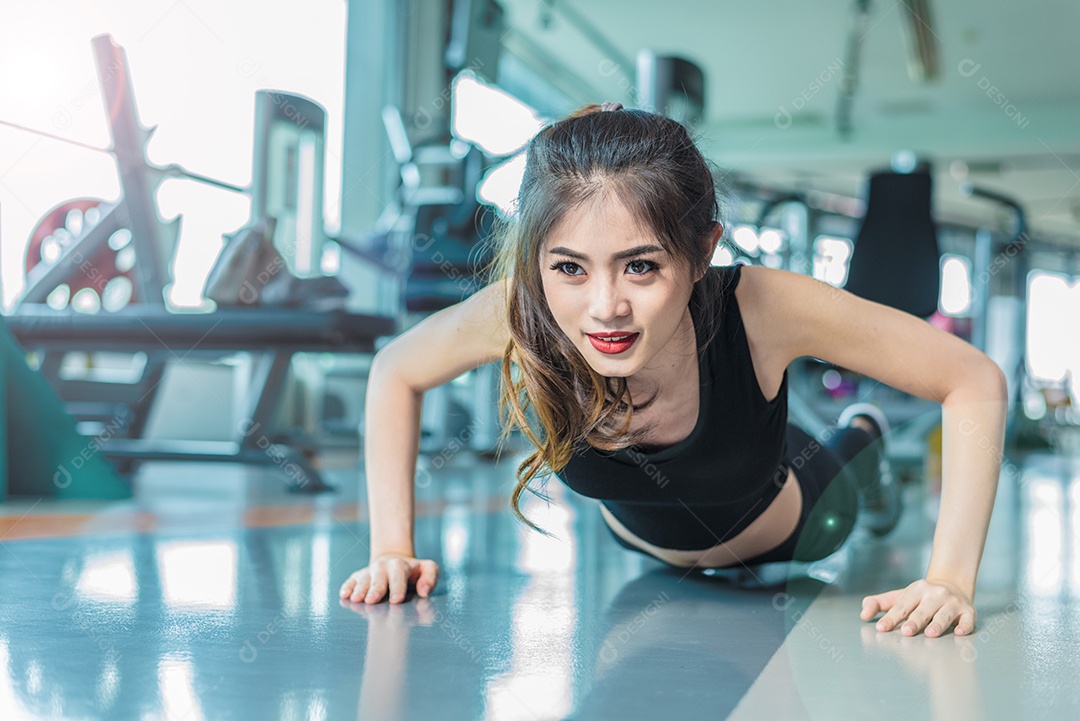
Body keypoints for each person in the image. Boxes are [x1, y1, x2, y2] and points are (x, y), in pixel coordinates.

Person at [339, 103, 1008, 638]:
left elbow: (972, 377)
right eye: (569, 266)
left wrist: (949, 577)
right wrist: (392, 544)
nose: (605, 308)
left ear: (701, 252)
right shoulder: (525, 310)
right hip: (653, 556)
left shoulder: (765, 306)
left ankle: (863, 433)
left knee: (846, 458)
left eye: (641, 265)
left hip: (800, 523)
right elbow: (396, 369)